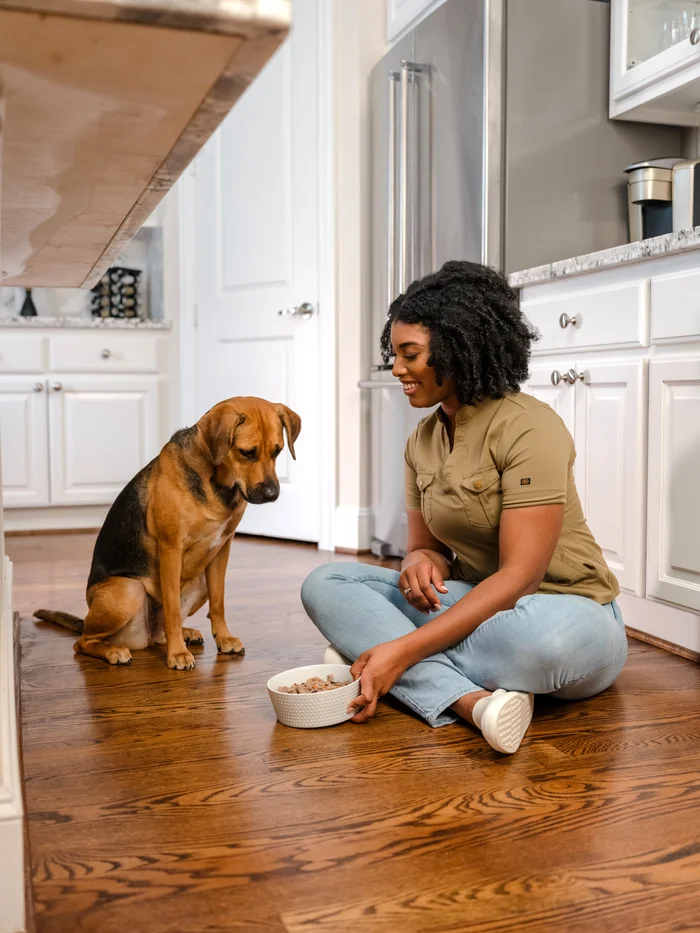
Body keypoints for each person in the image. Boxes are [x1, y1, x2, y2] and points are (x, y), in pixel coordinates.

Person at [301, 260, 627, 754]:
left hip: (569, 614)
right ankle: (470, 702)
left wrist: (402, 646)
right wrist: (419, 561)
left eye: (410, 354)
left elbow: (521, 579)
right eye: (395, 354)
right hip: (475, 603)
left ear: (457, 350)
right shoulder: (422, 441)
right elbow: (426, 551)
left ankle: (377, 655)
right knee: (325, 584)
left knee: (540, 644)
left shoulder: (529, 427)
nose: (396, 368)